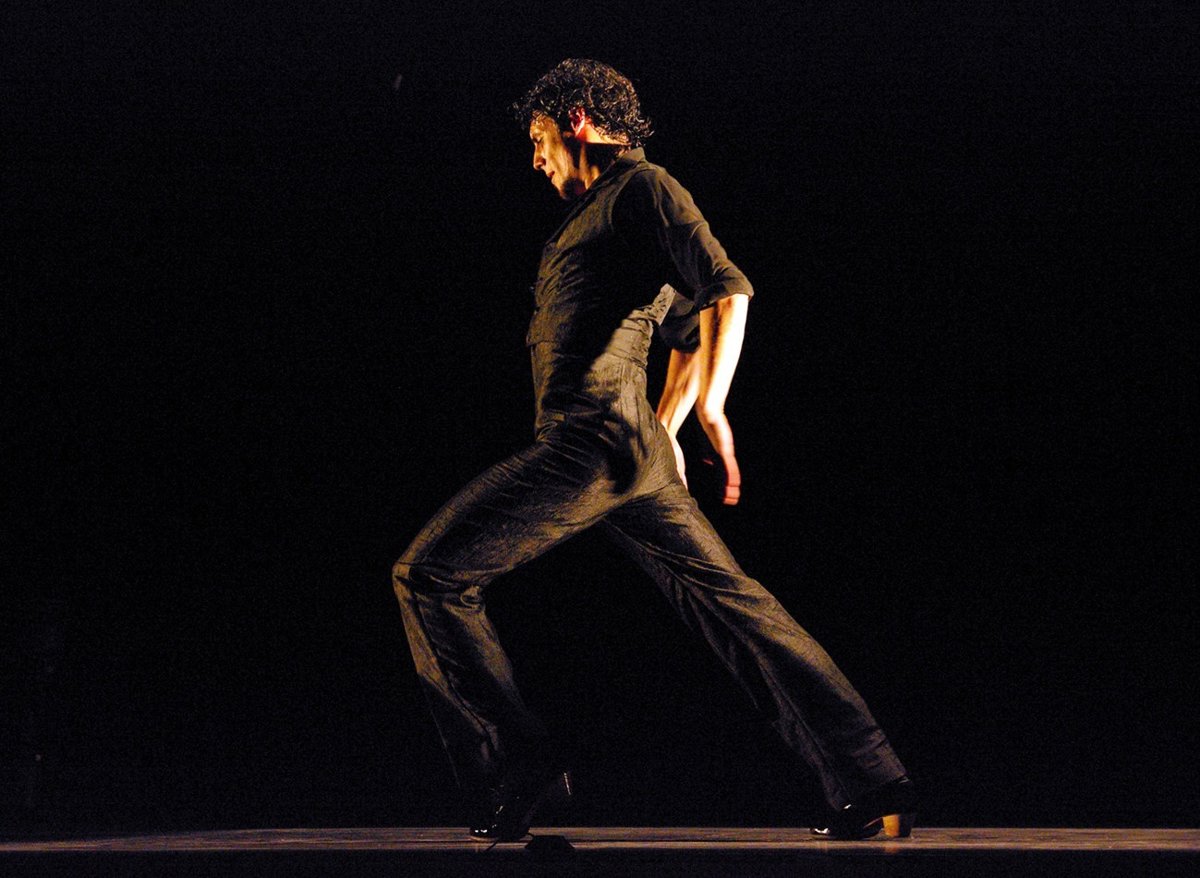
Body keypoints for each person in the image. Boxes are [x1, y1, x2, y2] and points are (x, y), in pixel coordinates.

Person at [392, 58, 916, 842]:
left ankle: (520, 768)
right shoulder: (604, 213)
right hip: (628, 449)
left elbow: (727, 288)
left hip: (588, 443)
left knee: (429, 575)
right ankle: (869, 780)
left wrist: (709, 406)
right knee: (734, 609)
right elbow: (682, 329)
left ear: (576, 121)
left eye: (539, 140)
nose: (535, 160)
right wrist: (664, 428)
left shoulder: (643, 189)